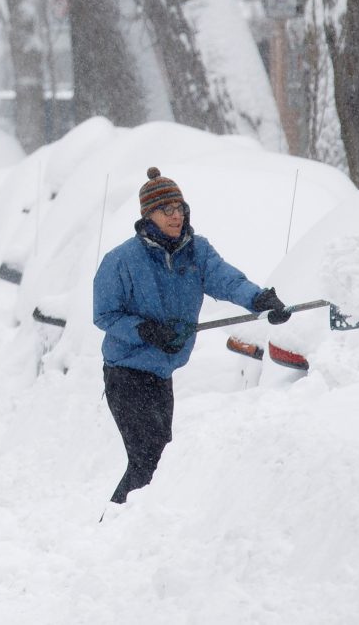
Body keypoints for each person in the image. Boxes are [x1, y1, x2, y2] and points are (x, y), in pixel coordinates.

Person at [93, 167, 291, 505]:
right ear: (148, 215)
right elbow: (104, 315)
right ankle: (114, 527)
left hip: (161, 375)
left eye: (180, 208)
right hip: (126, 375)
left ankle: (129, 528)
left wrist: (260, 300)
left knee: (158, 460)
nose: (176, 216)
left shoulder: (196, 251)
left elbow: (227, 280)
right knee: (147, 462)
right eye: (166, 210)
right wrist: (145, 330)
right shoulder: (122, 260)